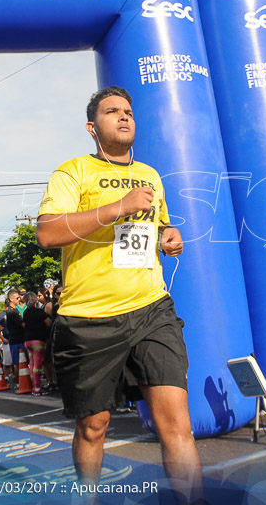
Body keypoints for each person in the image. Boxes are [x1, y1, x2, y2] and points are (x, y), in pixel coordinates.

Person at [36, 86, 200, 504]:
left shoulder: (150, 174)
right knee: (94, 426)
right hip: (89, 318)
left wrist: (169, 236)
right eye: (112, 112)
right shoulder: (72, 172)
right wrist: (117, 208)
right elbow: (47, 233)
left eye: (128, 111)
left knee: (177, 424)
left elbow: (158, 225)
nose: (124, 117)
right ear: (93, 127)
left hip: (151, 309)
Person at [22, 291, 50, 395]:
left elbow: (24, 324)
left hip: (28, 341)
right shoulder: (39, 312)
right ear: (35, 300)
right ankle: (37, 388)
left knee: (32, 364)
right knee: (37, 366)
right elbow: (48, 323)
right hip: (38, 340)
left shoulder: (26, 313)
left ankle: (35, 386)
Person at [3, 290, 26, 379]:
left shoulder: (16, 310)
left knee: (22, 362)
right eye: (17, 298)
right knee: (17, 363)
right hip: (16, 340)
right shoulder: (12, 312)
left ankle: (22, 381)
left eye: (19, 297)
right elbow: (22, 324)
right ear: (11, 299)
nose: (19, 299)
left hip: (20, 338)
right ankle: (19, 381)